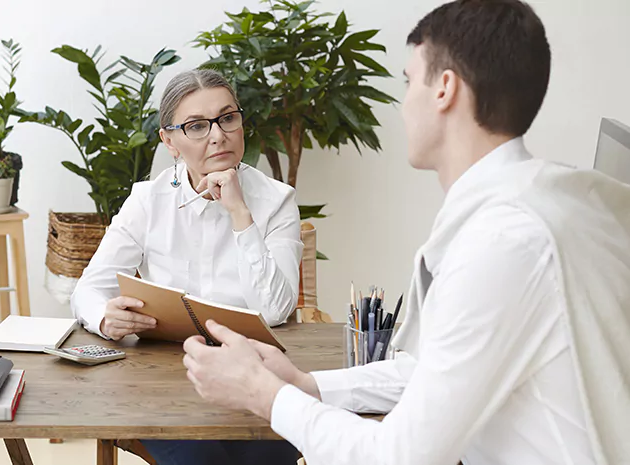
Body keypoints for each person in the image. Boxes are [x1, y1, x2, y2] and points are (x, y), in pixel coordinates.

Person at [180, 1, 630, 464]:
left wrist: (263, 394)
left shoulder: (506, 241)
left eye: (409, 81)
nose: (402, 104)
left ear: (445, 90)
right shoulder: (538, 200)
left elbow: (398, 457)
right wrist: (304, 383)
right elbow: (430, 373)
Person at [69, 68, 304, 465]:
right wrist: (105, 317)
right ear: (169, 140)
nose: (218, 135)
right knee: (202, 457)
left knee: (264, 453)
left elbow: (276, 310)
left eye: (228, 118)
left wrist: (239, 212)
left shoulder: (276, 200)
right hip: (165, 379)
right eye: (197, 126)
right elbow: (88, 290)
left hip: (253, 371)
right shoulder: (148, 200)